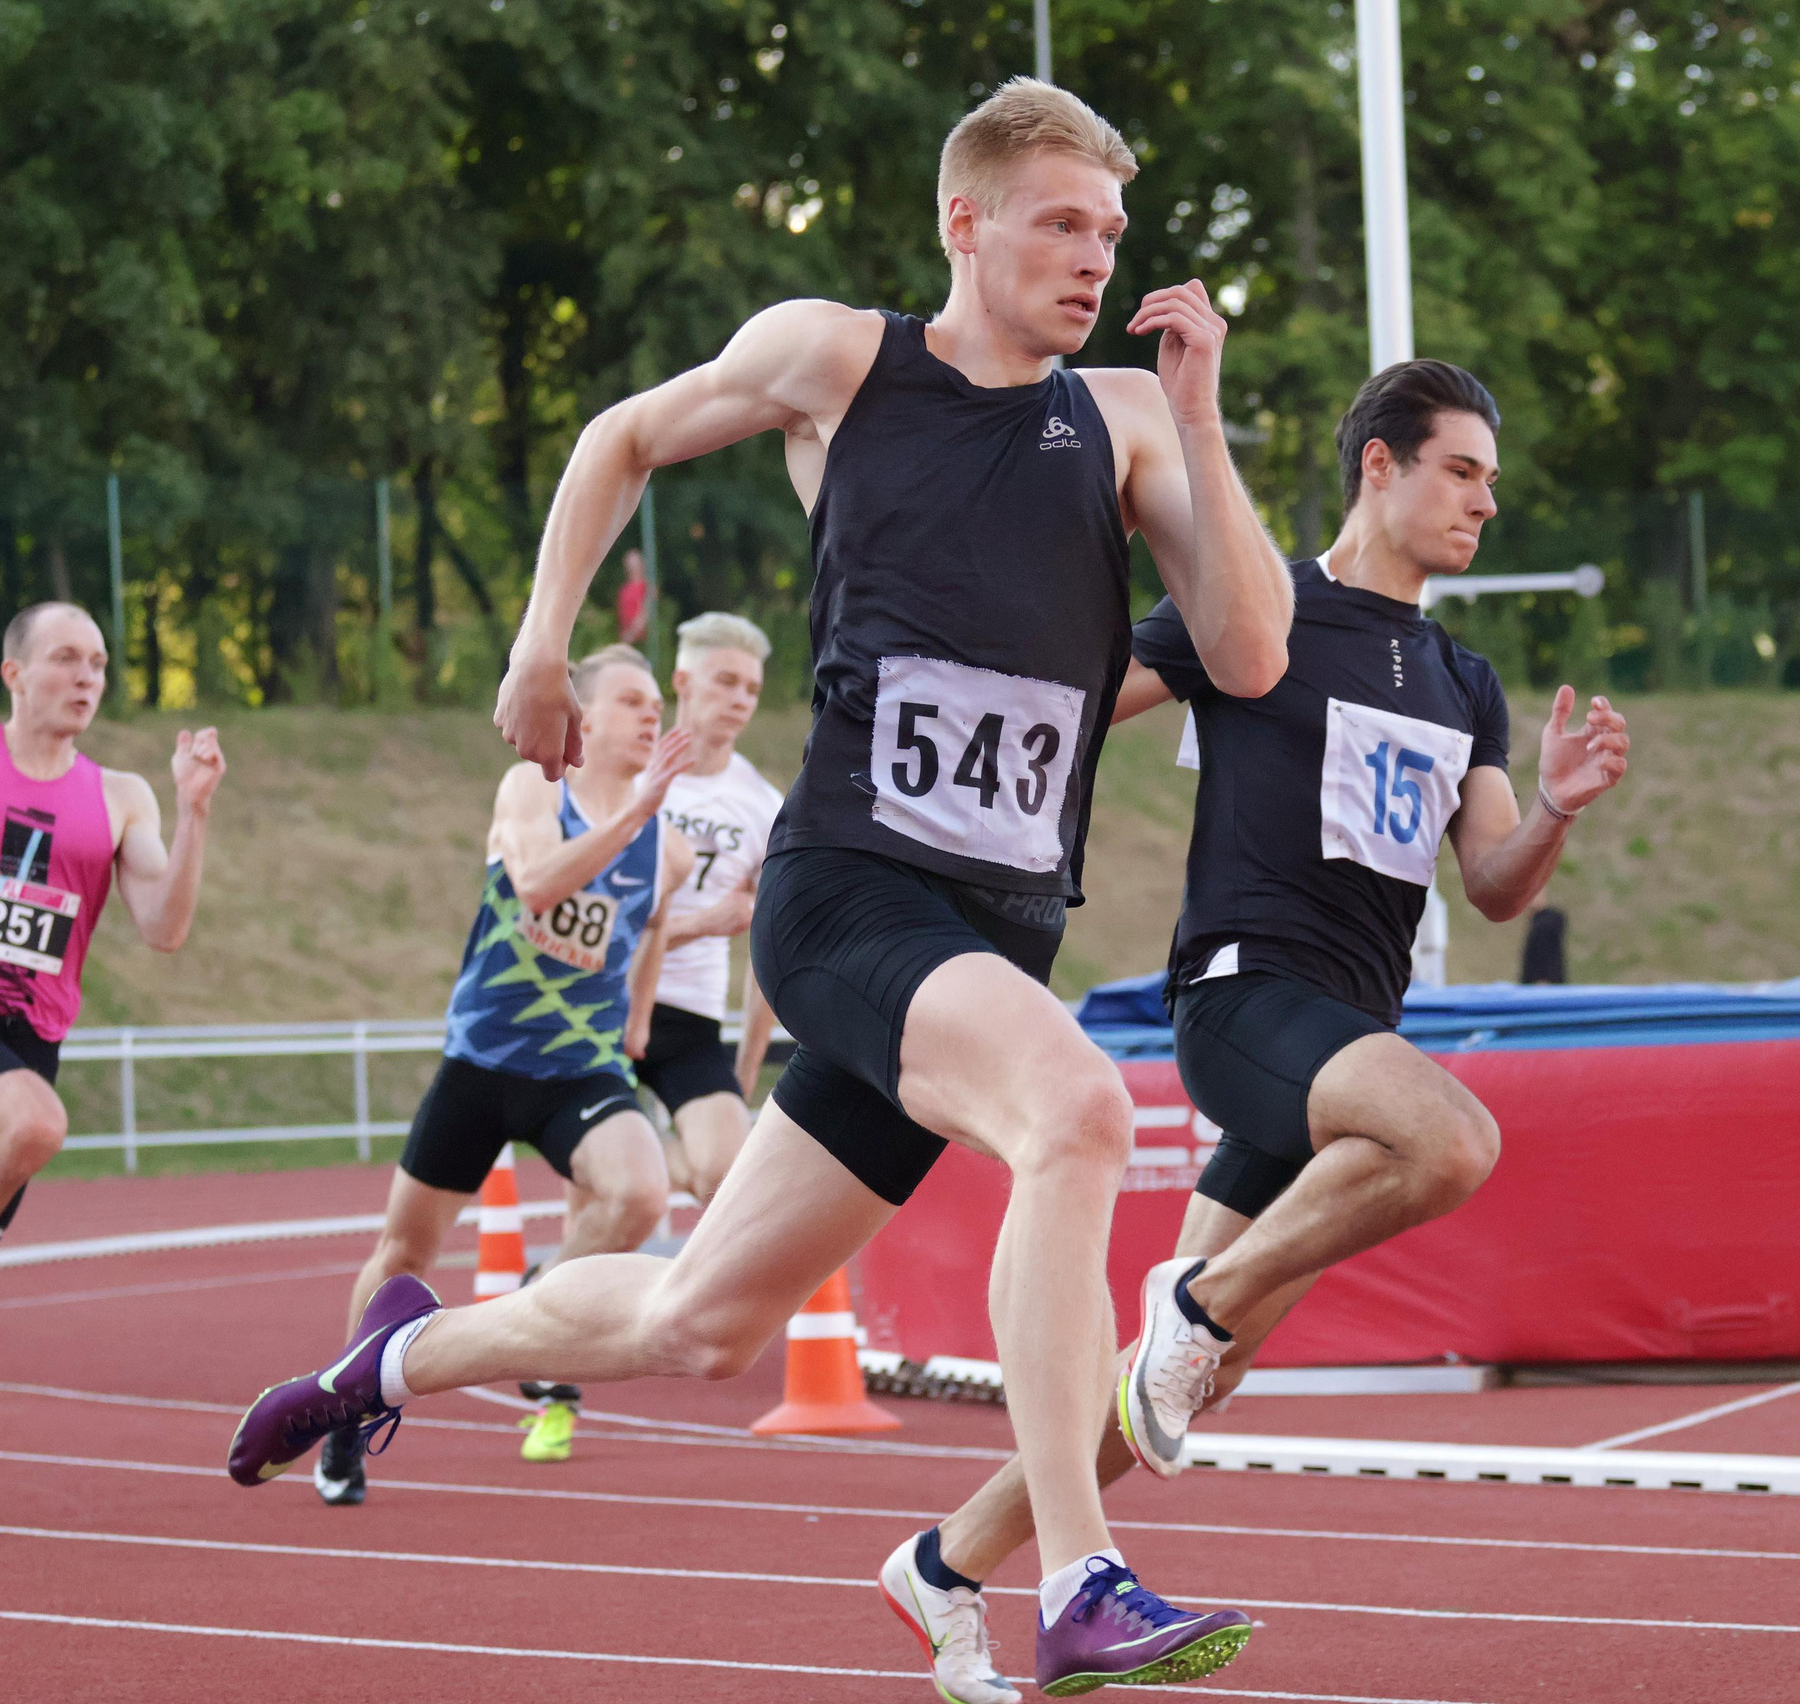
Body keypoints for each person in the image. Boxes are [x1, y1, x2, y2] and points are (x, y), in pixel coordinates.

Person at [230, 79, 1293, 1698]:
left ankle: (396, 1353)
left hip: (994, 927)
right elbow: (622, 435)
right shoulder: (842, 356)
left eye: (1114, 232)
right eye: (1064, 222)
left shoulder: (1131, 421)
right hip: (854, 893)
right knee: (1077, 1112)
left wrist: (1202, 417)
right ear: (969, 219)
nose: (1097, 257)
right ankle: (1073, 1572)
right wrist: (538, 644)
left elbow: (1247, 651)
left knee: (701, 1316)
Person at [884, 362, 1631, 1700]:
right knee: (1453, 1141)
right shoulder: (1255, 611)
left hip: (1344, 1039)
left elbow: (1498, 885)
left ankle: (946, 1564)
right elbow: (1066, 707)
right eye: (1462, 471)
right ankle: (1201, 1300)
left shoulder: (1465, 679)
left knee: (1174, 1389)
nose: (1486, 503)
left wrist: (1558, 810)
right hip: (1243, 998)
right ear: (1381, 468)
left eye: (1494, 482)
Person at [311, 644, 693, 1503]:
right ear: (583, 716)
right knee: (407, 1250)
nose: (652, 715)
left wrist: (637, 1017)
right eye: (632, 700)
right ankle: (345, 1405)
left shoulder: (664, 840)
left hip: (578, 1068)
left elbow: (657, 921)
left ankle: (540, 1296)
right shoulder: (536, 788)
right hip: (483, 1064)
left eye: (656, 703)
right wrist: (634, 814)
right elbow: (536, 886)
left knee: (638, 1194)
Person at [0, 602, 225, 1415]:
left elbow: (164, 929)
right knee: (37, 1126)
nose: (87, 678)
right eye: (67, 659)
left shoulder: (122, 797)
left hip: (29, 1050)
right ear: (15, 674)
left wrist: (196, 809)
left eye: (98, 664)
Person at [634, 612, 781, 1203]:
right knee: (611, 1198)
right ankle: (548, 1289)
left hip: (688, 1015)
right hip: (604, 1001)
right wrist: (702, 924)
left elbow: (770, 950)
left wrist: (745, 1069)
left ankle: (646, 1155)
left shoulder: (764, 808)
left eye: (751, 689)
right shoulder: (627, 773)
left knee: (728, 1180)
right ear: (682, 681)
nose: (740, 699)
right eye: (725, 681)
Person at [615, 548, 651, 645]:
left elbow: (646, 612)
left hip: (642, 642)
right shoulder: (623, 590)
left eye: (635, 564)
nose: (632, 567)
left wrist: (631, 634)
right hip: (627, 641)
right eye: (630, 564)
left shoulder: (647, 588)